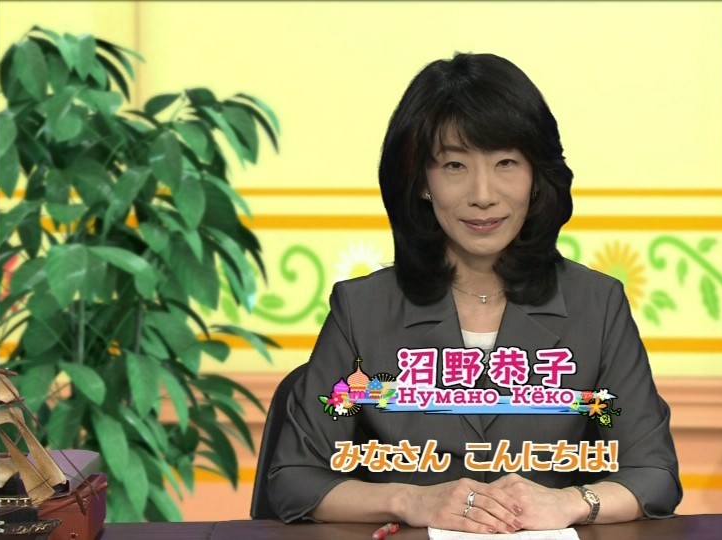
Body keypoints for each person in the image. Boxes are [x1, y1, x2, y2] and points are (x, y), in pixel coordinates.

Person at [267, 53, 681, 533]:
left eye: (506, 163)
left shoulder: (597, 304)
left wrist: (570, 502)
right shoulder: (362, 309)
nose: (483, 194)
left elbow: (653, 474)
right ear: (421, 182)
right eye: (454, 165)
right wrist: (410, 500)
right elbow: (295, 478)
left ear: (536, 176)